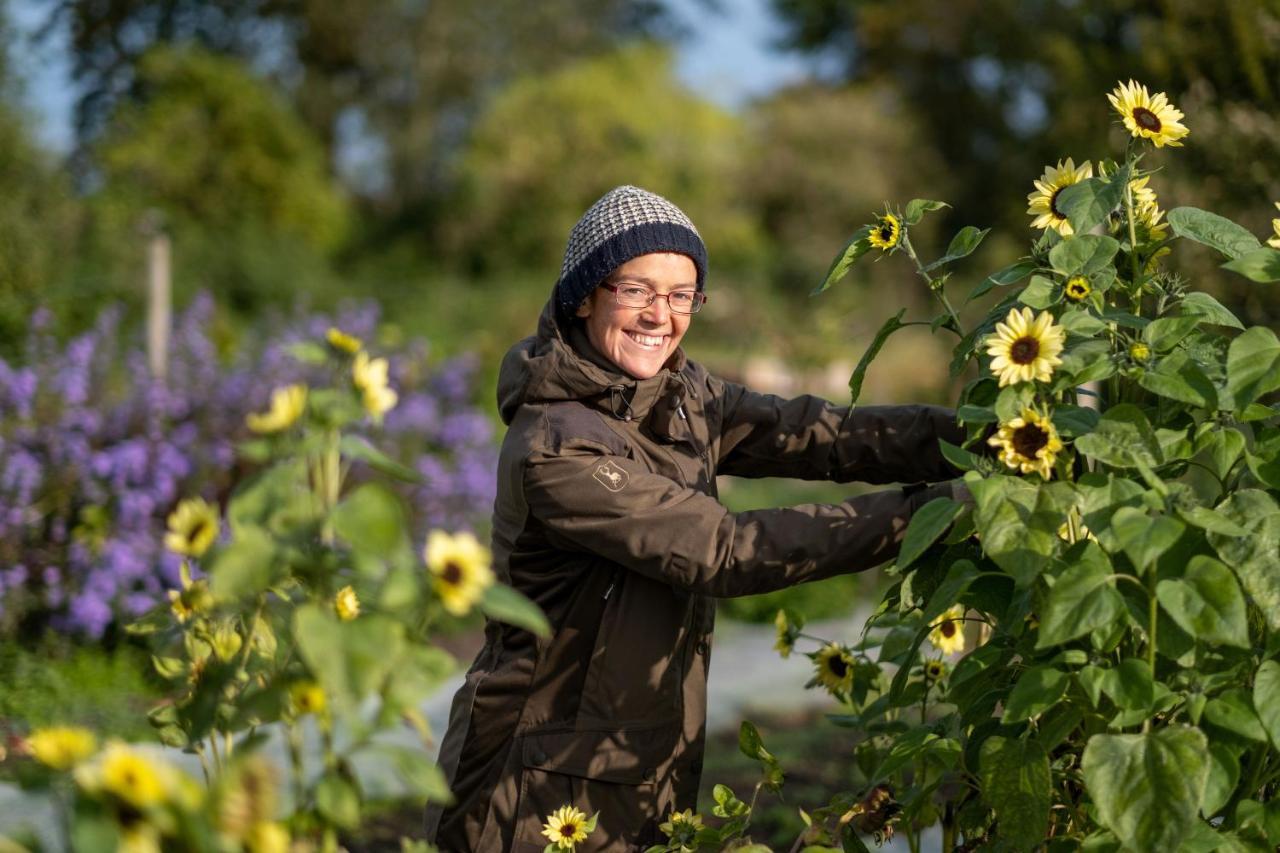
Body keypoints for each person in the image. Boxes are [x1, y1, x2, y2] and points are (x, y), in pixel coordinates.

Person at [425, 186, 969, 852]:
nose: (662, 315)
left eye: (682, 294)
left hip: (636, 760)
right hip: (534, 785)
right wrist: (940, 511)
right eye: (638, 290)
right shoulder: (558, 446)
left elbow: (818, 435)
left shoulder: (681, 395)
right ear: (586, 294)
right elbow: (721, 549)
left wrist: (976, 435)